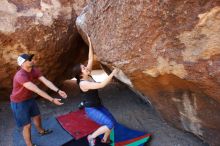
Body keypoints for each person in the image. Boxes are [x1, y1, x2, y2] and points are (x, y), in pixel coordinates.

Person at [10, 53, 67, 146]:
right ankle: (29, 145)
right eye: (29, 59)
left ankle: (41, 131)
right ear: (22, 63)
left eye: (31, 58)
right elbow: (37, 90)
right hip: (19, 102)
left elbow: (46, 81)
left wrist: (58, 90)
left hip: (29, 99)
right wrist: (52, 100)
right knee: (27, 126)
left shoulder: (34, 70)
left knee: (37, 116)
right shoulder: (20, 75)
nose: (32, 60)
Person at [72, 35, 118, 146]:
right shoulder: (83, 83)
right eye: (83, 68)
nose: (86, 68)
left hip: (98, 105)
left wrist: (89, 41)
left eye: (85, 66)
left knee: (113, 122)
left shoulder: (87, 75)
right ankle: (91, 137)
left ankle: (105, 139)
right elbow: (102, 85)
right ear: (80, 73)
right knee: (109, 124)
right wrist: (113, 73)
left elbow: (91, 58)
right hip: (91, 109)